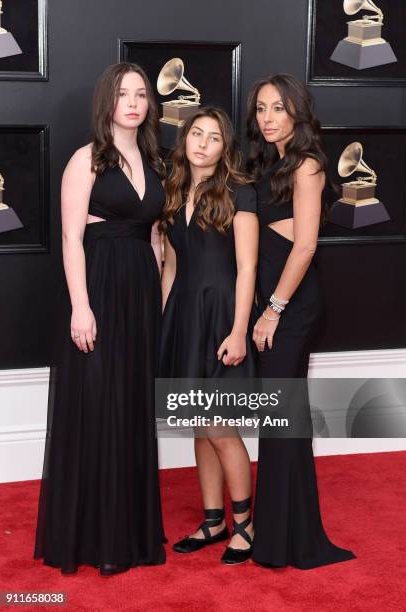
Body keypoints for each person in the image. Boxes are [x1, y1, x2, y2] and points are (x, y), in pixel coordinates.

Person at [34, 63, 166, 575]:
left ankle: (129, 532)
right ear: (106, 102)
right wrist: (81, 306)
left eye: (141, 94)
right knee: (98, 402)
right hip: (99, 291)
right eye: (123, 94)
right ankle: (93, 537)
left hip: (139, 294)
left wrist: (158, 299)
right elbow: (71, 239)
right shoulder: (85, 159)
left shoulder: (153, 160)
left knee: (130, 404)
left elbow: (154, 237)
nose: (133, 103)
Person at [246, 74, 356, 569]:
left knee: (282, 418)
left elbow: (306, 246)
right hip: (273, 299)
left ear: (297, 111)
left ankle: (290, 541)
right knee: (281, 419)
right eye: (261, 109)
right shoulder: (269, 161)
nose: (267, 118)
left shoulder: (308, 165)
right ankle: (283, 534)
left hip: (289, 305)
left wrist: (272, 309)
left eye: (277, 108)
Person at [159, 107, 258, 564]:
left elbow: (247, 268)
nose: (201, 142)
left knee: (220, 425)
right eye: (195, 133)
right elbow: (172, 265)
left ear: (225, 147)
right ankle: (214, 521)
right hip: (184, 313)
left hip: (221, 312)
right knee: (200, 425)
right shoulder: (174, 189)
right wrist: (163, 320)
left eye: (212, 137)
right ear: (184, 141)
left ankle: (245, 525)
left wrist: (239, 330)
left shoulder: (240, 190)